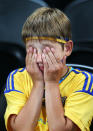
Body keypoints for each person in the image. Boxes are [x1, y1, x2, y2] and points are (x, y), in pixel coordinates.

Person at [4, 7, 93, 131]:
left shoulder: (85, 82)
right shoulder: (17, 77)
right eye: (33, 50)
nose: (39, 58)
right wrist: (38, 84)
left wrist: (51, 83)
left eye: (47, 50)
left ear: (67, 48)